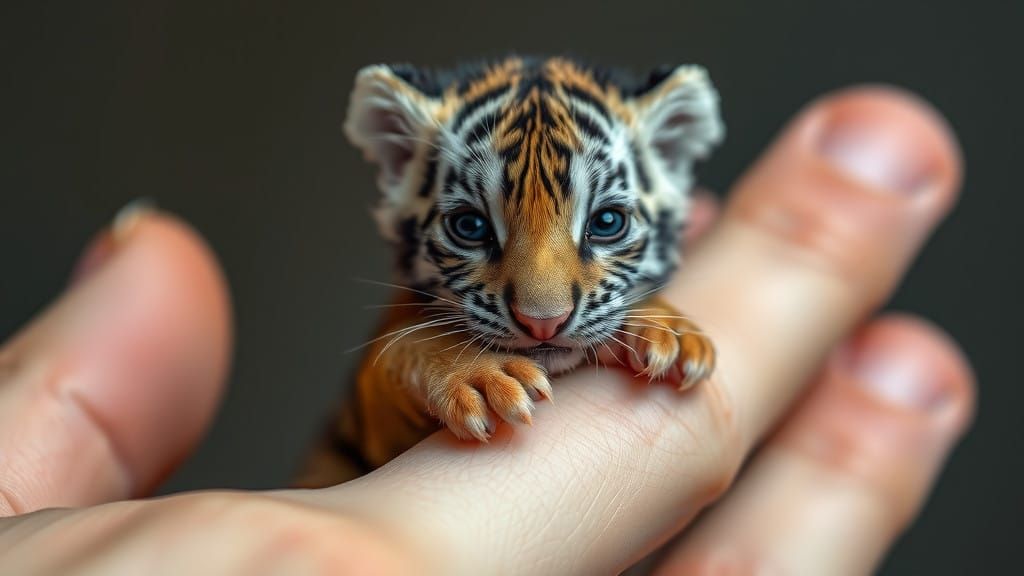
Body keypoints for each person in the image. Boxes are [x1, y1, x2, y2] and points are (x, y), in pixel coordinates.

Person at [0, 86, 974, 575]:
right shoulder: (415, 327)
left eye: (601, 227)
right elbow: (401, 366)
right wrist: (448, 370)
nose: (540, 300)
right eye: (475, 229)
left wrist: (650, 318)